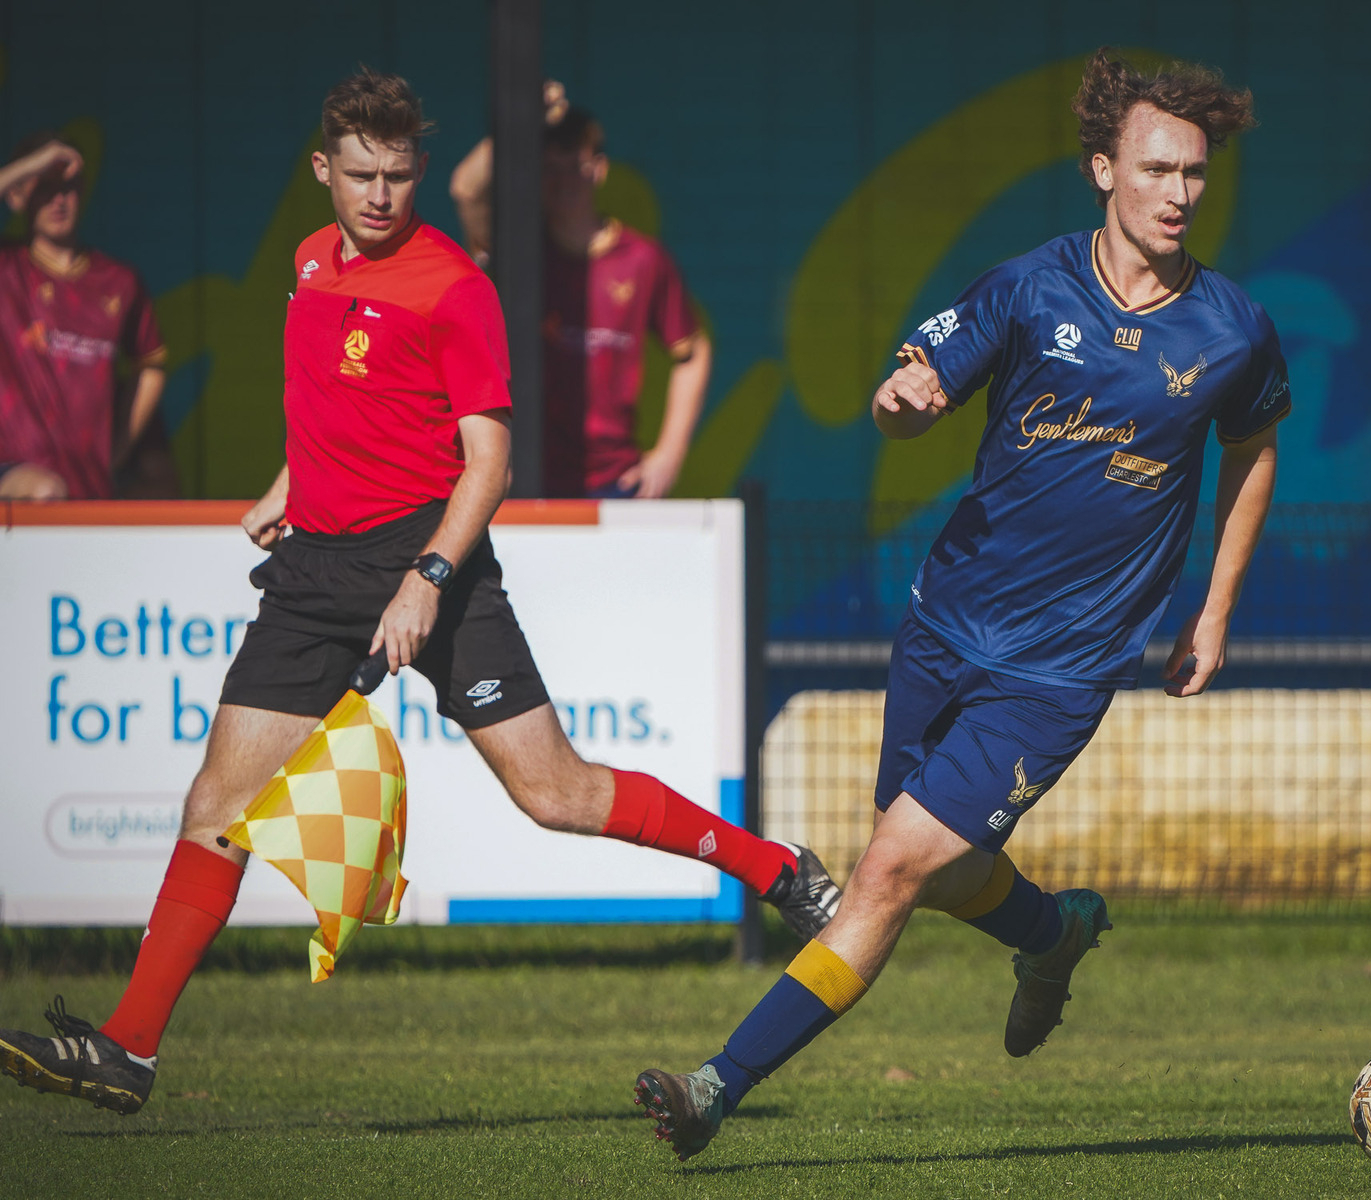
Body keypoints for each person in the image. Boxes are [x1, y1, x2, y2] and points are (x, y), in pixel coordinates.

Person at [0, 69, 837, 1118]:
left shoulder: (454, 286)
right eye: (360, 175)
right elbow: (336, 408)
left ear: (419, 173)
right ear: (324, 171)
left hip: (430, 558)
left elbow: (485, 460)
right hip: (311, 573)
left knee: (554, 795)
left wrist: (429, 579)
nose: (380, 195)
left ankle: (777, 870)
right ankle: (127, 1050)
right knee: (214, 805)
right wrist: (285, 484)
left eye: (398, 176)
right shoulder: (308, 263)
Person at [633, 49, 1289, 1160]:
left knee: (889, 869)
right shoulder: (1028, 287)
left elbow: (1253, 451)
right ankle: (1051, 929)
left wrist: (1212, 608)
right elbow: (909, 392)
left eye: (1194, 173)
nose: (1178, 193)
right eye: (1156, 168)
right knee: (933, 871)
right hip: (944, 625)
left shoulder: (1230, 328)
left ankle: (714, 1086)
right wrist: (902, 402)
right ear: (1101, 171)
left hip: (1058, 670)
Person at [449, 83, 709, 498]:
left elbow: (692, 353)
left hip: (614, 480)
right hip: (525, 474)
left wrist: (669, 455)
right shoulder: (519, 252)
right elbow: (466, 188)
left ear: (599, 168)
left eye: (575, 164)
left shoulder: (642, 259)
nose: (564, 179)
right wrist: (523, 118)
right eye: (550, 168)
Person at [0, 134, 167, 500]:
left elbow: (151, 365)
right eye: (44, 188)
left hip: (89, 486)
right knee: (45, 491)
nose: (58, 200)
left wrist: (117, 449)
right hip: (17, 479)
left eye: (69, 188)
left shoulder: (118, 281)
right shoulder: (7, 268)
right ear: (16, 196)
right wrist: (36, 162)